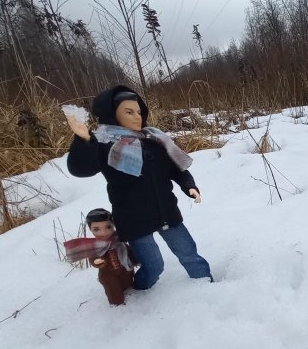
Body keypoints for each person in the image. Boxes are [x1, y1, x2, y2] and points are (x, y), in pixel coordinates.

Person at [65, 85, 212, 289]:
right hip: (134, 219)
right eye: (128, 112)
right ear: (111, 114)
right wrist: (84, 141)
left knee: (189, 253)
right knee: (154, 265)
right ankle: (139, 291)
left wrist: (189, 186)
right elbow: (81, 169)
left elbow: (175, 168)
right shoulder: (105, 144)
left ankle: (207, 286)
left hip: (167, 211)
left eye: (138, 111)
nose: (136, 117)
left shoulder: (153, 139)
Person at [64, 208, 136, 306]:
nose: (104, 232)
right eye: (97, 229)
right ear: (91, 229)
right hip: (108, 275)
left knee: (128, 283)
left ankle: (131, 294)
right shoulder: (95, 246)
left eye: (108, 227)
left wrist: (135, 259)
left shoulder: (119, 239)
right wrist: (97, 261)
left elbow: (127, 250)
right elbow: (93, 258)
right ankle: (118, 306)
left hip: (125, 270)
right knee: (113, 291)